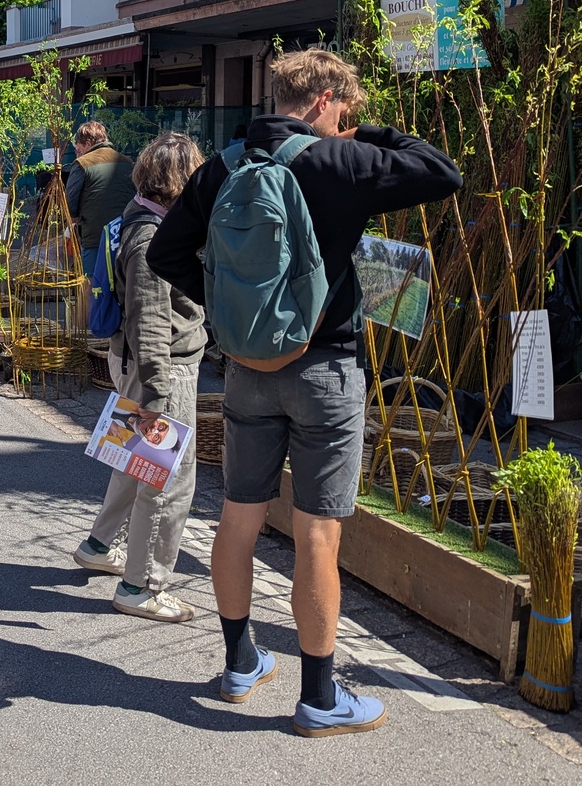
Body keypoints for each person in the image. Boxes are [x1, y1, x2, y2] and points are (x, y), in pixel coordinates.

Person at [147, 48, 462, 737]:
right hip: (325, 370)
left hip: (247, 369)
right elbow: (442, 170)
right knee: (318, 531)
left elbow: (163, 253)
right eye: (345, 107)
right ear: (324, 100)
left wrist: (230, 316)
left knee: (238, 515)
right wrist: (364, 134)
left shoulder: (225, 165)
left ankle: (239, 664)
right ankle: (320, 698)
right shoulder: (339, 161)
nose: (347, 119)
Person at [74, 132, 207, 623]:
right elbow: (150, 320)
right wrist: (157, 392)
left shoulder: (135, 217)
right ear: (181, 182)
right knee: (168, 482)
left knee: (137, 463)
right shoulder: (153, 236)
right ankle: (141, 586)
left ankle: (98, 545)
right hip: (161, 369)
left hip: (134, 362)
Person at [65, 121, 135, 280]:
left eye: (78, 149)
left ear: (88, 143)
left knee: (92, 284)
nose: (77, 154)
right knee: (121, 283)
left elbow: (70, 205)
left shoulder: (82, 163)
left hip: (95, 237)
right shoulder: (128, 162)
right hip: (124, 234)